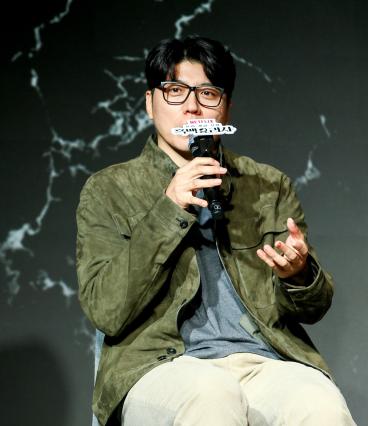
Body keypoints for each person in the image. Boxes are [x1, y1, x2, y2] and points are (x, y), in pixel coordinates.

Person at [76, 36, 355, 425]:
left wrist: (299, 275)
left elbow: (313, 308)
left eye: (207, 93)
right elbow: (106, 309)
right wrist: (169, 208)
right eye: (175, 90)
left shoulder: (266, 185)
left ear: (225, 110)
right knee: (212, 395)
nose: (191, 105)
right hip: (161, 366)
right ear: (149, 103)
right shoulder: (110, 189)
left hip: (264, 361)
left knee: (319, 405)